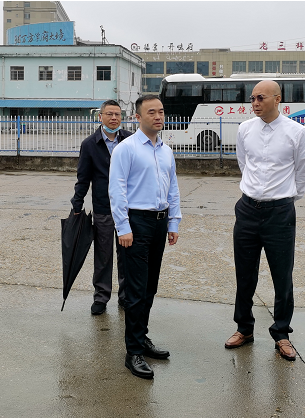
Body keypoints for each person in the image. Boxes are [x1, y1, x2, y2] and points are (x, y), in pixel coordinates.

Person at [225, 80, 305, 362]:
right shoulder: (245, 129)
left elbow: (302, 173)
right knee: (244, 274)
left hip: (280, 212)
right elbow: (244, 163)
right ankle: (244, 328)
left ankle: (282, 333)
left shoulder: (296, 132)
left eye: (261, 97)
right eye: (252, 98)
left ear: (277, 99)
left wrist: (283, 199)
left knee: (282, 276)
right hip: (247, 209)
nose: (255, 103)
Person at [109, 94, 182, 379]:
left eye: (161, 111)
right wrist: (123, 227)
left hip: (159, 223)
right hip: (136, 224)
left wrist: (173, 221)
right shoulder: (126, 149)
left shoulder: (166, 151)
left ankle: (142, 337)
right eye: (151, 112)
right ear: (138, 117)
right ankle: (133, 352)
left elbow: (172, 187)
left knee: (150, 286)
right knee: (136, 290)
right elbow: (117, 190)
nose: (158, 116)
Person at [71, 100, 132, 315]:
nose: (114, 118)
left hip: (128, 208)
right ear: (100, 116)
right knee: (103, 255)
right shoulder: (90, 144)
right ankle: (101, 296)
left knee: (127, 255)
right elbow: (83, 178)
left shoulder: (130, 140)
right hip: (103, 208)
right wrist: (77, 204)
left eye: (117, 114)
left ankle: (126, 295)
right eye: (109, 114)